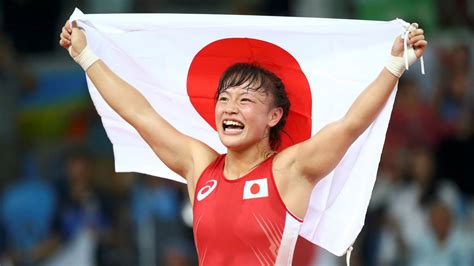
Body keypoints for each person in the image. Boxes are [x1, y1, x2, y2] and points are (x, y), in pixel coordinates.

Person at [59, 19, 427, 265]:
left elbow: (351, 124)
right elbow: (139, 114)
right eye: (224, 98)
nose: (230, 107)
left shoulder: (289, 170)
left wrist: (395, 66)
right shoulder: (199, 165)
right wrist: (86, 55)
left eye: (246, 100)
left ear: (274, 117)